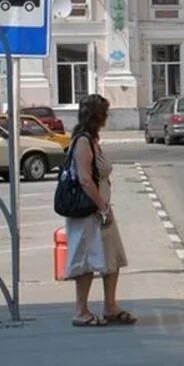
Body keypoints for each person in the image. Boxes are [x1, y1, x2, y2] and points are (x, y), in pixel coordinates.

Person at [64, 94, 135, 327]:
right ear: (98, 116)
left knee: (111, 257)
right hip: (89, 211)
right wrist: (101, 206)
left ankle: (110, 307)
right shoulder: (83, 141)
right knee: (85, 260)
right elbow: (85, 179)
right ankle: (80, 311)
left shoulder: (93, 139)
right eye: (105, 112)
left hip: (100, 210)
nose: (108, 116)